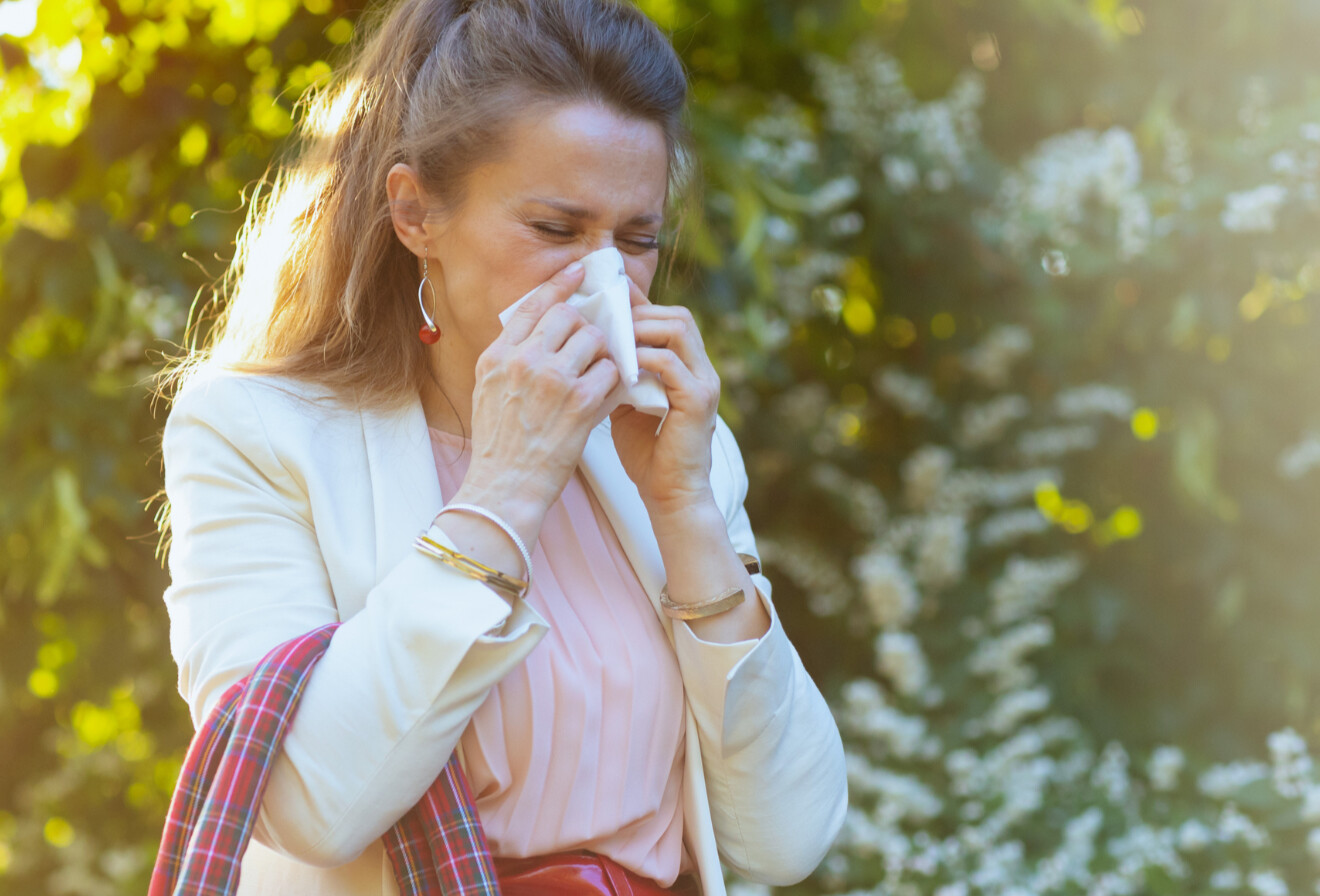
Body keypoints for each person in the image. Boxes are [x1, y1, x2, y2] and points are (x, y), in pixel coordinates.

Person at [153, 0, 849, 893]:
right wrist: (508, 486)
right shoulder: (255, 431)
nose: (605, 278)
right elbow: (304, 810)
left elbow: (786, 840)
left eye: (637, 240)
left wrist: (686, 515)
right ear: (415, 214)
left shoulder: (675, 454)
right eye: (556, 230)